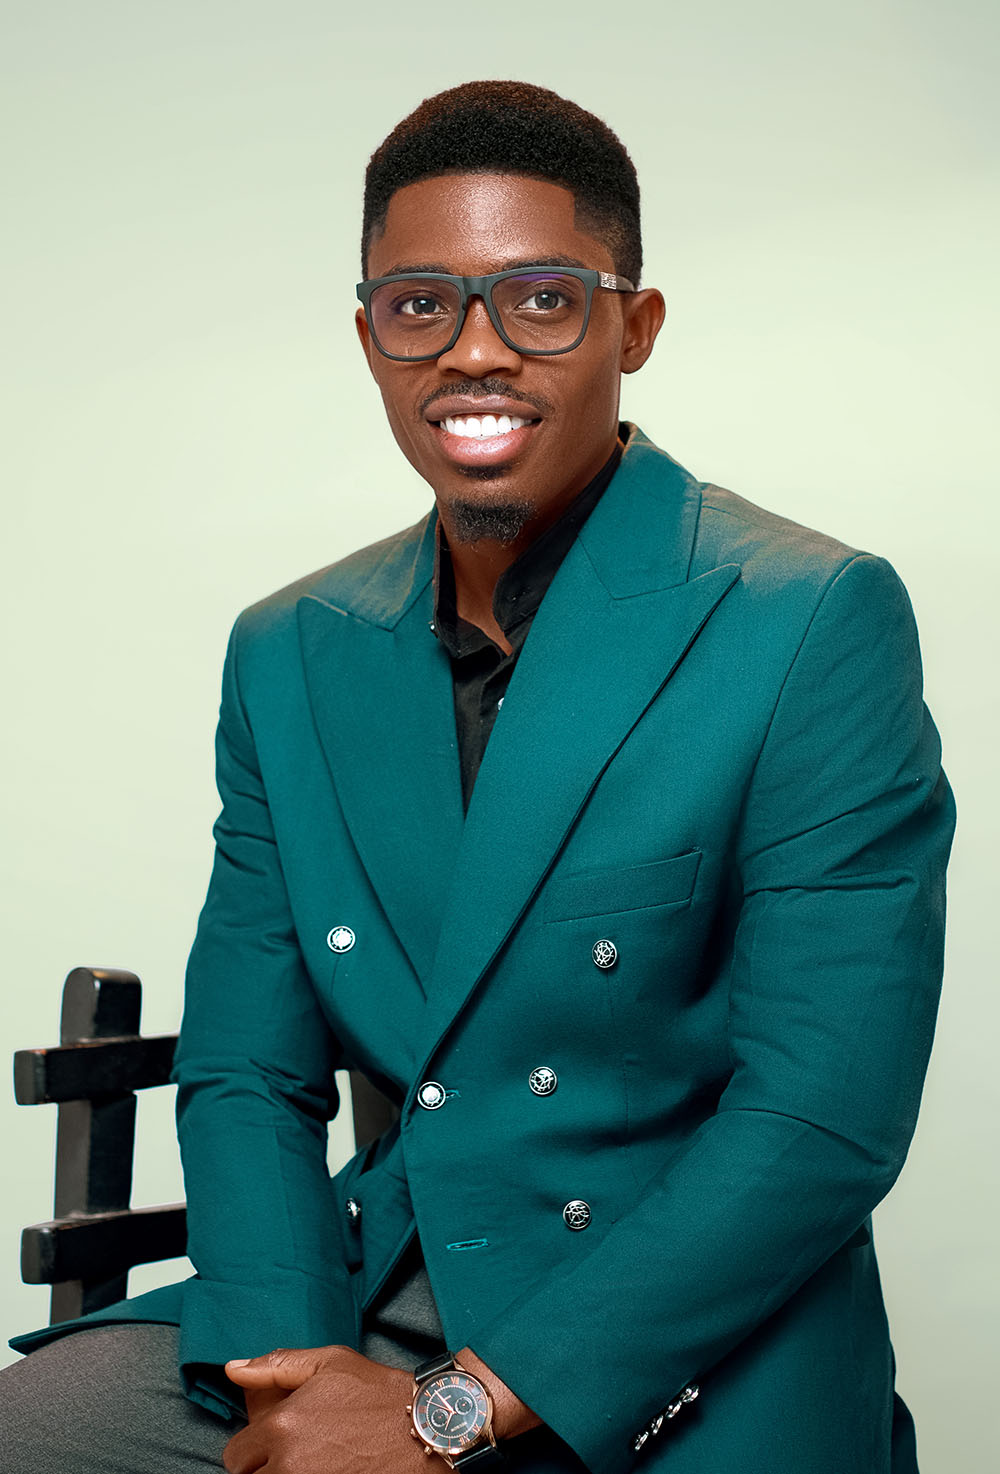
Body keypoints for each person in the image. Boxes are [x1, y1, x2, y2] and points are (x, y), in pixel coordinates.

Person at [2, 80, 954, 1474]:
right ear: (369, 337)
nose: (475, 352)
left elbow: (821, 1118)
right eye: (420, 305)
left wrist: (446, 1417)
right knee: (36, 1431)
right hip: (371, 1291)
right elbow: (249, 1066)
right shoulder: (290, 650)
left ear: (637, 327)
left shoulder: (807, 619)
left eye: (542, 300)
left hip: (667, 1351)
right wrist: (290, 1376)